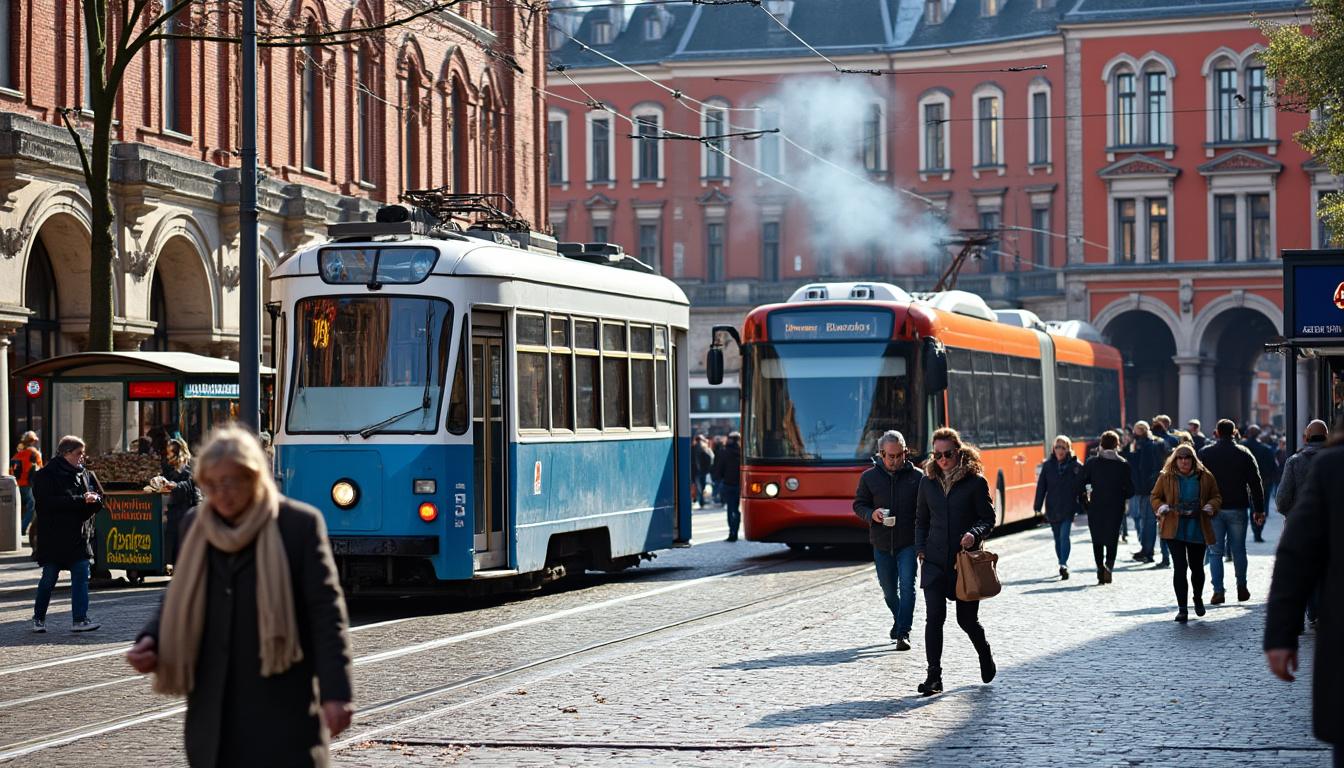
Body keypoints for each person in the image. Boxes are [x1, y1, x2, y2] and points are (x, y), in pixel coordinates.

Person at [126, 425, 354, 767]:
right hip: (213, 716)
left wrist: (337, 693)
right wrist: (153, 640)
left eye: (231, 482)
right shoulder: (194, 525)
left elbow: (326, 615)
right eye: (213, 484)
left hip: (282, 712)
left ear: (254, 477)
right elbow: (179, 595)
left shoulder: (297, 525)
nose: (222, 493)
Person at [1263, 438, 1344, 768]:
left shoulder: (1330, 465)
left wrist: (1281, 636)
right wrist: (1281, 634)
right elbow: (1297, 555)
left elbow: (1296, 554)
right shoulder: (1333, 466)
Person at [914, 427, 996, 696]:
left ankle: (984, 652)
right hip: (935, 562)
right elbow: (921, 520)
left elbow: (988, 518)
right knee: (933, 619)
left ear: (958, 452)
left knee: (966, 621)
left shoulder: (975, 482)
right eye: (937, 455)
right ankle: (933, 677)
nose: (942, 460)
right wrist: (921, 549)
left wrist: (974, 534)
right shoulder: (927, 482)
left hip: (964, 565)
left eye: (947, 454)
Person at [853, 430, 922, 650]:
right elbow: (859, 504)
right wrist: (871, 515)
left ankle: (904, 633)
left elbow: (927, 510)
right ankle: (899, 618)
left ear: (905, 453)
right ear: (882, 454)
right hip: (881, 543)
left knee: (908, 586)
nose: (895, 460)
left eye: (900, 455)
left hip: (908, 542)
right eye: (891, 456)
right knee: (889, 591)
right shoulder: (869, 477)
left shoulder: (918, 477)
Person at [29, 435, 104, 633]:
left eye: (83, 453)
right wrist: (81, 500)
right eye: (79, 453)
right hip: (54, 537)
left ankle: (80, 619)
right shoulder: (46, 475)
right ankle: (38, 618)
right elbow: (47, 503)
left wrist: (94, 501)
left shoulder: (84, 474)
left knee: (81, 576)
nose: (83, 457)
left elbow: (94, 499)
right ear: (66, 453)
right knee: (49, 579)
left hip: (79, 537)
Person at [1150, 443, 1221, 622]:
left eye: (1187, 458)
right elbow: (1155, 496)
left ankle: (1197, 598)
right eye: (1180, 458)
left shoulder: (1205, 476)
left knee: (1197, 568)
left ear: (1192, 459)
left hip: (1198, 527)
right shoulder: (1166, 477)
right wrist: (1161, 507)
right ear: (1175, 460)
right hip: (1174, 528)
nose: (1183, 462)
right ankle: (1182, 608)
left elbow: (1216, 496)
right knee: (1180, 568)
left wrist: (1211, 506)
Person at [1200, 419, 1265, 604]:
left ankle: (1218, 591)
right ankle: (1242, 586)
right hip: (1237, 507)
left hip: (1213, 509)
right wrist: (1259, 509)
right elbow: (1255, 482)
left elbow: (1198, 481)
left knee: (1215, 552)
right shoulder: (1244, 453)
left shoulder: (1206, 453)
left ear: (1216, 433)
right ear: (1235, 432)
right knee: (1238, 550)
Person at [1080, 430, 1134, 584]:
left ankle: (1099, 568)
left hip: (1096, 506)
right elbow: (1131, 490)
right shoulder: (1123, 464)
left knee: (1097, 538)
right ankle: (1109, 567)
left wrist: (1085, 500)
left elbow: (1081, 483)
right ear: (1117, 445)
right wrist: (1121, 495)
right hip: (1115, 508)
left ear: (1101, 444)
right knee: (1112, 538)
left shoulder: (1092, 463)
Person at [1033, 435, 1084, 580]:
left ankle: (1063, 564)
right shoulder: (1048, 466)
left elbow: (1081, 486)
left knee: (1064, 536)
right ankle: (1061, 561)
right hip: (1053, 507)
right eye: (1057, 447)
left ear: (1068, 449)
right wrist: (1037, 506)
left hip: (1068, 507)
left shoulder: (1075, 465)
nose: (1059, 450)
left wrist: (1083, 505)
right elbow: (1041, 486)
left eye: (1063, 447)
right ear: (1053, 449)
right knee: (1057, 539)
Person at [1122, 420, 1169, 567]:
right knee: (1148, 520)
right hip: (1152, 486)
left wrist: (1127, 448)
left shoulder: (1144, 445)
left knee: (1147, 520)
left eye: (1135, 431)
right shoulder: (1156, 443)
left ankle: (1148, 551)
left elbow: (1138, 464)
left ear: (1140, 431)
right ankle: (1147, 550)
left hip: (1146, 487)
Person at [160, 438, 203, 568]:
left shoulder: (191, 465)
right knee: (174, 539)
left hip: (188, 508)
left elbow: (192, 485)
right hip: (175, 509)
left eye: (171, 452)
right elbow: (167, 480)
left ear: (179, 452)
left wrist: (175, 485)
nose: (168, 455)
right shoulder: (169, 467)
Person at [1277, 420, 1329, 516]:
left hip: (1301, 524)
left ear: (1307, 438)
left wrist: (1295, 516)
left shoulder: (1294, 461)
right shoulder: (1338, 459)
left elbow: (1281, 502)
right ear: (1327, 436)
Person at [1242, 425, 1277, 542]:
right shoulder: (1266, 449)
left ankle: (1254, 530)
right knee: (1261, 508)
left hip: (1245, 483)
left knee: (1249, 508)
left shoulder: (1242, 447)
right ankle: (1258, 531)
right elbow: (1273, 467)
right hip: (1264, 482)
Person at [710, 431, 742, 541]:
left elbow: (719, 468)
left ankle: (731, 532)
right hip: (739, 485)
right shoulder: (742, 453)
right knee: (736, 509)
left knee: (730, 508)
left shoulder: (724, 452)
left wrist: (719, 479)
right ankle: (736, 531)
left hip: (728, 484)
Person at [10, 431, 43, 536]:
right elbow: (40, 469)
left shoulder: (18, 454)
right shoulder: (34, 453)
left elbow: (11, 470)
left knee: (19, 508)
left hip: (17, 484)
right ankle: (22, 529)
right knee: (32, 508)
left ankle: (17, 528)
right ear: (33, 441)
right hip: (29, 485)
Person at [691, 435, 714, 509]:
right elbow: (711, 458)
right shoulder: (706, 448)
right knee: (702, 486)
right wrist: (708, 469)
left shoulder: (692, 448)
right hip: (703, 471)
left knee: (699, 487)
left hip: (696, 471)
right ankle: (701, 501)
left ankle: (700, 501)